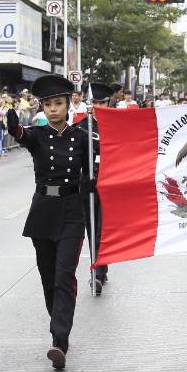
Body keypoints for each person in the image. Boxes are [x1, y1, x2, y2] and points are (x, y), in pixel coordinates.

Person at [6, 74, 91, 370]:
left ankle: (59, 340)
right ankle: (58, 325)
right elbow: (20, 134)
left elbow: (98, 166)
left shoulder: (82, 137)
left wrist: (93, 180)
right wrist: (12, 123)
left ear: (68, 105)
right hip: (43, 211)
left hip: (71, 211)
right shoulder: (37, 135)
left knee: (64, 275)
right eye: (48, 105)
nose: (53, 109)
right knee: (48, 278)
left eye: (58, 104)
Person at [75, 82, 112, 294]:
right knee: (92, 229)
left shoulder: (118, 125)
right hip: (88, 185)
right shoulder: (81, 127)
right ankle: (98, 270)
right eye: (94, 102)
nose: (98, 107)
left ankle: (99, 270)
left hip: (111, 184)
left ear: (109, 103)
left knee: (103, 230)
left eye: (102, 103)